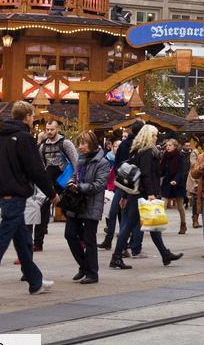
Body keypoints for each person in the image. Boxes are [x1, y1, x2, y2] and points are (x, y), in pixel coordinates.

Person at [0, 101, 58, 301]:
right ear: (27, 117)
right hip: (15, 195)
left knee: (23, 242)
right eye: (32, 116)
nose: (33, 120)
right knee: (0, 242)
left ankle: (35, 281)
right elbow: (35, 169)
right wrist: (51, 193)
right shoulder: (24, 138)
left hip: (5, 194)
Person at [109, 125, 182, 270]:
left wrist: (125, 195)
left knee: (153, 225)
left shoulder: (137, 150)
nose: (156, 138)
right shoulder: (148, 152)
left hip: (136, 193)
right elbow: (146, 174)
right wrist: (150, 194)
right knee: (129, 225)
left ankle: (165, 254)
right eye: (154, 135)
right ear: (148, 137)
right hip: (142, 194)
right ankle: (116, 257)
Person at [64, 131, 109, 285]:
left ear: (92, 144)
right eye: (79, 143)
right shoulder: (80, 160)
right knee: (70, 234)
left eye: (83, 143)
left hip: (91, 205)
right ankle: (83, 266)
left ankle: (92, 273)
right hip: (76, 204)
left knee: (89, 239)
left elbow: (99, 185)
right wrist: (71, 183)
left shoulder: (102, 162)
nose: (80, 147)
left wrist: (80, 187)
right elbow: (73, 175)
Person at [99, 119, 144, 250]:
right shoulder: (139, 145)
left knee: (118, 214)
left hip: (121, 182)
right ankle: (131, 245)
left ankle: (115, 243)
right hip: (135, 184)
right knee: (132, 216)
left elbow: (118, 163)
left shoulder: (124, 145)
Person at [35, 120, 78, 251]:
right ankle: (38, 243)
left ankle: (80, 238)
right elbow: (43, 164)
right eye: (47, 129)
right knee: (42, 209)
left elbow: (75, 162)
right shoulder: (43, 146)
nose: (49, 132)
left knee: (70, 210)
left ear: (57, 129)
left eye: (52, 129)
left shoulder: (65, 143)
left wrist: (73, 180)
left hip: (64, 181)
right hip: (49, 181)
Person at [159, 138, 189, 234]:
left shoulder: (180, 156)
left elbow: (182, 170)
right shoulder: (165, 156)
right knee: (162, 205)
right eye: (167, 145)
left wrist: (176, 180)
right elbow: (161, 169)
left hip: (177, 183)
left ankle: (183, 224)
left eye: (170, 145)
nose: (167, 147)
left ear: (175, 146)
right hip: (167, 182)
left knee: (180, 206)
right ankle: (158, 226)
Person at [184, 139, 201, 230]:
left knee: (198, 199)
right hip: (196, 177)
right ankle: (195, 219)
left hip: (201, 176)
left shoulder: (199, 151)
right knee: (195, 199)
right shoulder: (195, 152)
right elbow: (194, 165)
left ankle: (196, 219)